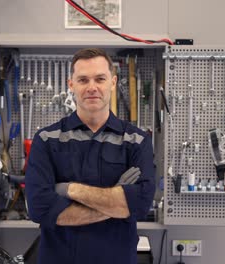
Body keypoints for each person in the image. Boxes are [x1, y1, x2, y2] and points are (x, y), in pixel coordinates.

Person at [25, 48, 155, 264]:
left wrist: (69, 189)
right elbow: (40, 209)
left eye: (100, 79)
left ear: (112, 83)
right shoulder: (47, 139)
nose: (92, 87)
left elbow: (140, 206)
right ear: (71, 84)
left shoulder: (136, 141)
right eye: (83, 80)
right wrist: (116, 202)